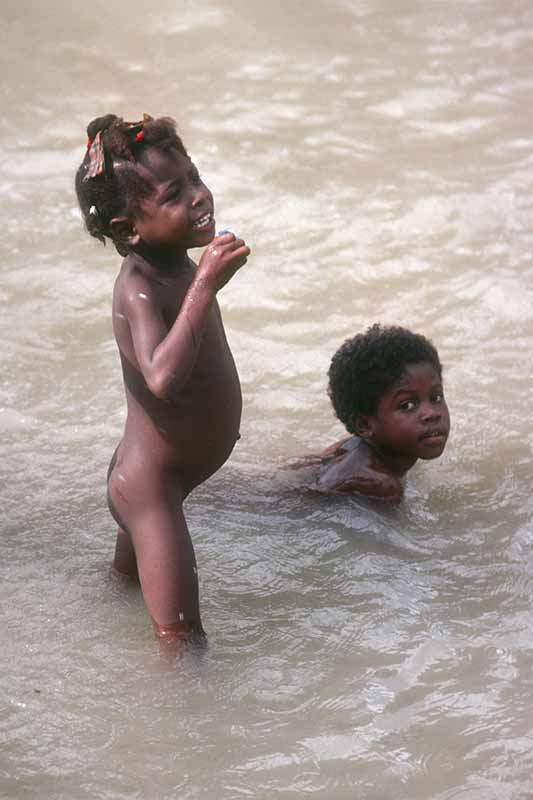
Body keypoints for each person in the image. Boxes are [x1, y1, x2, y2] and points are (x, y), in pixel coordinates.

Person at [75, 114, 250, 644]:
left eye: (195, 178)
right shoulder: (141, 288)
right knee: (183, 644)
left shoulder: (175, 265)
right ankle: (186, 723)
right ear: (130, 230)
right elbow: (161, 378)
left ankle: (99, 618)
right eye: (176, 193)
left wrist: (200, 280)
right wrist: (207, 286)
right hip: (152, 489)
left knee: (124, 592)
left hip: (158, 473)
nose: (199, 197)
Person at [309, 324, 450, 500]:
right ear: (365, 425)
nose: (431, 413)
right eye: (407, 405)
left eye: (436, 397)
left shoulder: (351, 448)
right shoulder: (379, 485)